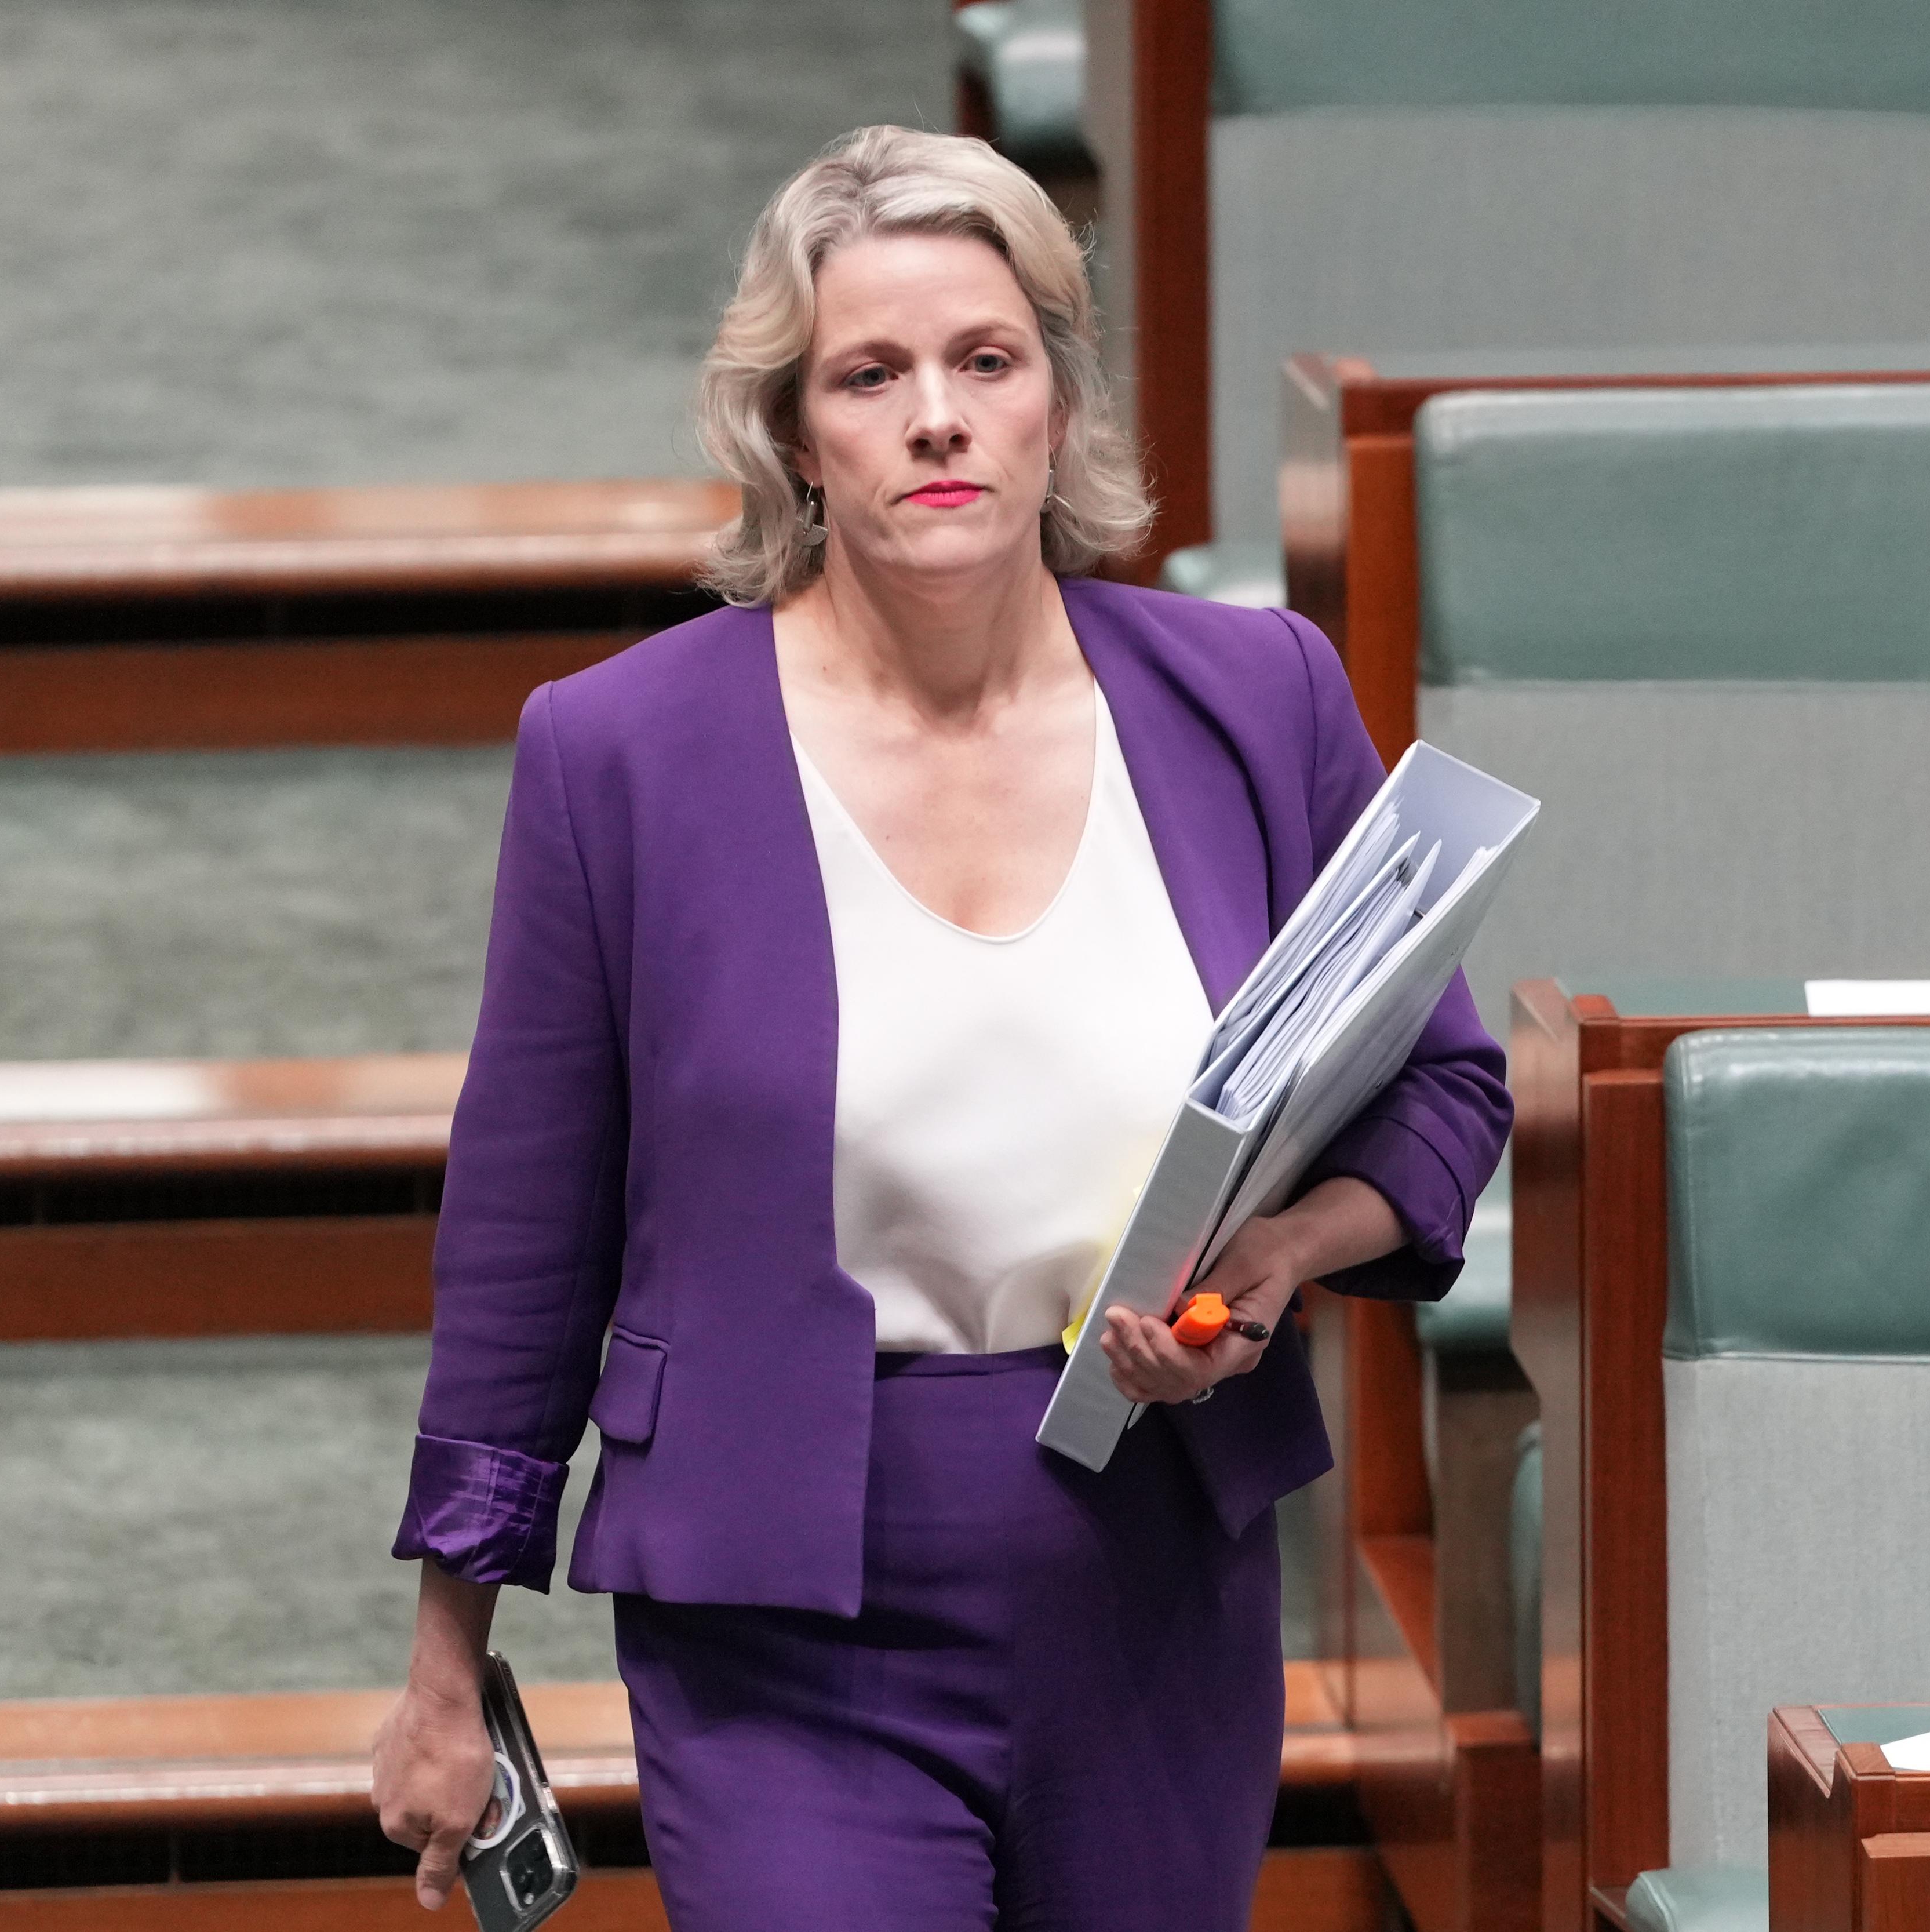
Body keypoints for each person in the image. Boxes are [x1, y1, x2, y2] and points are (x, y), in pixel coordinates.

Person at [368, 124, 1509, 1931]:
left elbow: (1442, 1087)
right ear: (793, 433)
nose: (937, 418)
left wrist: (1287, 1253)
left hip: (1150, 1572)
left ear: (1058, 397)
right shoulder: (624, 755)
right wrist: (449, 1659)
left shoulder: (1251, 697)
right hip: (781, 1598)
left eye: (987, 359)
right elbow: (525, 1238)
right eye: (869, 374)